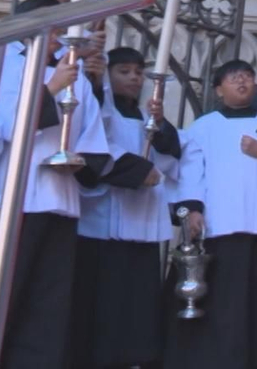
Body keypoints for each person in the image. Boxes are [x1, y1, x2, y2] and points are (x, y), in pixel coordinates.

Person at [0, 0, 109, 368]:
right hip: (14, 198)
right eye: (52, 29)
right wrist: (51, 88)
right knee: (6, 294)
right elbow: (2, 128)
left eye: (60, 30)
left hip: (59, 198)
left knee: (49, 302)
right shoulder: (4, 66)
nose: (59, 38)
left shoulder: (70, 69)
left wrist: (84, 162)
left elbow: (91, 131)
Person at [165, 59, 257, 369]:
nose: (242, 83)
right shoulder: (205, 126)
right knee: (223, 301)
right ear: (218, 89)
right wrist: (193, 210)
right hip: (219, 227)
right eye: (234, 78)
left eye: (248, 77)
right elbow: (190, 171)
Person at [68, 47, 179, 369]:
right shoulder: (100, 112)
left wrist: (161, 126)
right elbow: (92, 149)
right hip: (103, 223)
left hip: (141, 225)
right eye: (124, 71)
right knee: (101, 301)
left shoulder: (147, 117)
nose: (134, 78)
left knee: (137, 304)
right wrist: (135, 172)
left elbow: (171, 157)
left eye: (138, 72)